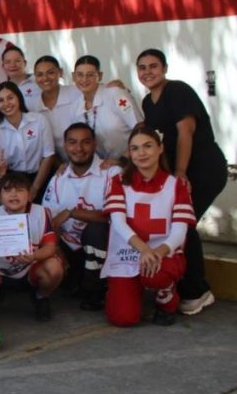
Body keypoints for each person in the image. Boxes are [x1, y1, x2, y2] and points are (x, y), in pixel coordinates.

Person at [137, 48, 227, 316]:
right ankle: (185, 287)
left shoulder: (178, 91)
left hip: (203, 169)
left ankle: (197, 292)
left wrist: (180, 173)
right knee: (180, 226)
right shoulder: (146, 102)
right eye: (142, 67)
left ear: (164, 68)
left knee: (184, 226)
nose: (148, 72)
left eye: (153, 66)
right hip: (179, 172)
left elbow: (185, 132)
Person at [104, 124, 196, 326]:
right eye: (135, 148)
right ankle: (133, 289)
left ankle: (166, 296)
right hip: (128, 255)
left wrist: (156, 253)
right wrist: (144, 250)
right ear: (129, 153)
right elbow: (118, 223)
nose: (141, 153)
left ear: (160, 148)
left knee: (155, 277)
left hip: (162, 254)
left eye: (148, 146)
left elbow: (180, 231)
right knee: (123, 318)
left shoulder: (177, 185)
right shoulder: (118, 181)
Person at [42, 123, 118, 310]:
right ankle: (77, 282)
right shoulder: (59, 177)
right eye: (72, 143)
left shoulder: (111, 173)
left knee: (96, 230)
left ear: (94, 144)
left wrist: (72, 212)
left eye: (85, 142)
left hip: (103, 247)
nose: (79, 148)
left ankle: (96, 291)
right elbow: (47, 219)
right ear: (65, 146)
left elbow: (114, 217)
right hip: (71, 248)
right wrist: (56, 248)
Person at [0, 172, 62, 322]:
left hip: (30, 268)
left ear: (29, 194)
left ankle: (41, 297)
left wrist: (34, 256)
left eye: (19, 190)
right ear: (0, 195)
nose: (14, 195)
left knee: (54, 267)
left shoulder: (41, 212)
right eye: (8, 190)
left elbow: (50, 247)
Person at [0, 81, 55, 202]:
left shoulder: (39, 120)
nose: (6, 103)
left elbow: (48, 156)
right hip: (14, 182)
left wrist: (34, 188)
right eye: (1, 100)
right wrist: (0, 173)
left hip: (41, 178)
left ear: (19, 98)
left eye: (10, 98)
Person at [72, 55, 142, 160]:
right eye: (80, 75)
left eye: (90, 75)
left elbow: (140, 127)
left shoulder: (116, 94)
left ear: (99, 76)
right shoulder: (76, 106)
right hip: (104, 167)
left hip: (133, 160)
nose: (84, 79)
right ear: (73, 76)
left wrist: (123, 159)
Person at [29, 55, 82, 159]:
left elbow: (98, 89)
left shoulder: (77, 92)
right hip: (58, 166)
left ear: (60, 72)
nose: (45, 78)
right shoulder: (33, 107)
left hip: (86, 159)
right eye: (40, 74)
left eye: (50, 72)